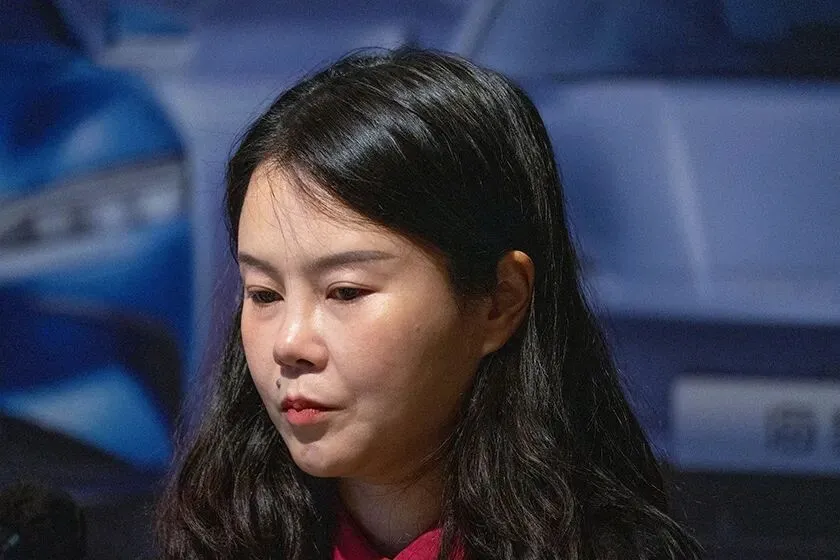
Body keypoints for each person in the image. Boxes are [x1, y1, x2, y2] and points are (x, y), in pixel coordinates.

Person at [156, 48, 701, 559]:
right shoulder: (217, 541)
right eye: (263, 294)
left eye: (345, 291)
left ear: (500, 301)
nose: (289, 343)